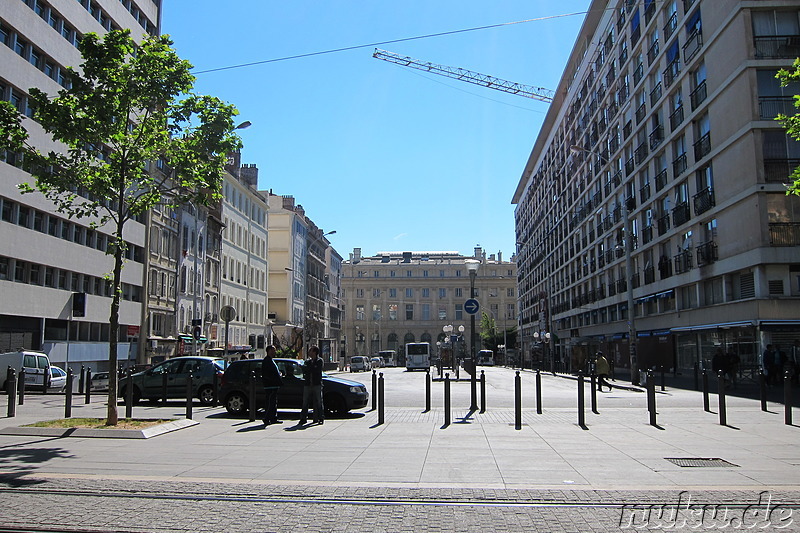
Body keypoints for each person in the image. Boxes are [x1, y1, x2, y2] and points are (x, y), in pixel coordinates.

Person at [299, 345, 324, 425]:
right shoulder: (308, 361)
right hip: (308, 384)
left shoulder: (319, 361)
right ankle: (303, 418)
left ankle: (321, 417)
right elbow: (305, 369)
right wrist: (307, 368)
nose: (309, 352)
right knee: (305, 401)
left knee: (319, 401)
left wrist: (308, 368)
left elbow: (315, 370)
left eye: (311, 351)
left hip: (317, 384)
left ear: (315, 352)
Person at [261, 345, 283, 426]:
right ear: (269, 351)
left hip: (274, 385)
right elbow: (267, 374)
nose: (275, 352)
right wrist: (274, 379)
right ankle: (266, 418)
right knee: (270, 403)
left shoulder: (271, 360)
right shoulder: (267, 361)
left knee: (273, 402)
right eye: (273, 350)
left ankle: (273, 418)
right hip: (270, 385)